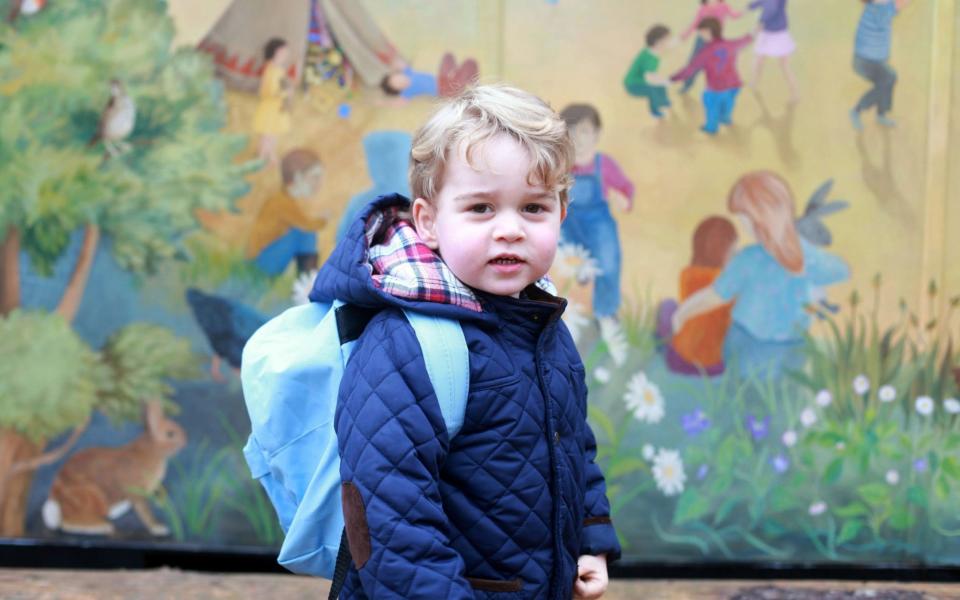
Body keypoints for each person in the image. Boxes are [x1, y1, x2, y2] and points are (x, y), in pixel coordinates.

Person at [309, 84, 620, 599]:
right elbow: (391, 517)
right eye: (480, 208)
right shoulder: (407, 341)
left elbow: (572, 447)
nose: (510, 230)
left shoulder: (543, 323)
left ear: (562, 212)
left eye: (534, 208)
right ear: (428, 221)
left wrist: (590, 542)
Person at [671, 171, 850, 379]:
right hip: (790, 349)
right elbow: (841, 270)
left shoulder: (749, 259)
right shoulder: (803, 255)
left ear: (761, 217)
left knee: (745, 397)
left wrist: (683, 312)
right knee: (778, 402)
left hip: (749, 346)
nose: (744, 227)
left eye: (744, 219)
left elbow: (716, 295)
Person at [558, 104, 635, 323]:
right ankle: (579, 273)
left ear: (596, 134)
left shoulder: (604, 165)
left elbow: (625, 188)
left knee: (609, 263)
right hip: (569, 222)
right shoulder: (561, 164)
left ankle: (606, 312)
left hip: (599, 224)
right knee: (559, 252)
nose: (578, 139)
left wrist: (623, 199)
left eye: (584, 131)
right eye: (571, 132)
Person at [658, 216, 738, 376]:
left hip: (677, 360)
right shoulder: (727, 285)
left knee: (668, 305)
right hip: (713, 368)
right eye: (733, 251)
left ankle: (661, 343)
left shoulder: (687, 274)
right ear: (724, 252)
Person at [246, 148, 327, 276]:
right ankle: (308, 283)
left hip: (263, 260)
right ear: (298, 177)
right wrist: (323, 219)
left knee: (304, 232)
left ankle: (307, 283)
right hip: (259, 264)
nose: (318, 184)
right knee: (305, 232)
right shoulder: (282, 202)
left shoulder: (286, 200)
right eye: (314, 177)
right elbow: (307, 224)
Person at [670, 18, 753, 135]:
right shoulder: (732, 44)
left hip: (716, 89)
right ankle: (725, 119)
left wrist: (671, 79)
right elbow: (747, 39)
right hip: (734, 85)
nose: (700, 36)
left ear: (707, 32)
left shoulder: (705, 52)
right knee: (729, 102)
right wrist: (755, 31)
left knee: (711, 107)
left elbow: (689, 70)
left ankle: (711, 128)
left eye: (700, 33)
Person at [850, 0, 912, 130]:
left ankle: (881, 114)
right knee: (889, 79)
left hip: (871, 59)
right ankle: (857, 110)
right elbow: (898, 5)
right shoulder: (880, 10)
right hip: (865, 61)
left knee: (887, 80)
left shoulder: (876, 6)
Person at [678, 0, 745, 94]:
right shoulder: (703, 8)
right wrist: (686, 33)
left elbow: (735, 16)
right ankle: (687, 85)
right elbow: (696, 23)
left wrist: (746, 10)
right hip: (701, 40)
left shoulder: (724, 6)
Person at [748, 0, 799, 102]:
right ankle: (754, 83)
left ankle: (795, 94)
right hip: (772, 31)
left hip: (776, 33)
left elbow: (771, 8)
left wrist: (759, 24)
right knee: (760, 60)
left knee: (783, 65)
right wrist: (752, 6)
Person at [252, 37, 293, 164]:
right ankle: (262, 157)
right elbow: (268, 91)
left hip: (276, 109)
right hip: (270, 109)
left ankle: (270, 155)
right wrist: (285, 92)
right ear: (277, 53)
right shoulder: (271, 70)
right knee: (267, 136)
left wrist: (287, 91)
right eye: (284, 52)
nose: (287, 54)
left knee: (273, 134)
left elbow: (282, 84)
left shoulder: (278, 69)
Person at [624, 24, 674, 118]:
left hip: (640, 79)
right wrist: (665, 81)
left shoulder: (651, 50)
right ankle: (654, 111)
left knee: (661, 85)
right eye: (668, 39)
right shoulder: (651, 59)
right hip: (633, 85)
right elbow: (649, 79)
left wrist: (662, 81)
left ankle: (664, 101)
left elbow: (650, 75)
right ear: (658, 42)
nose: (669, 42)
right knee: (653, 91)